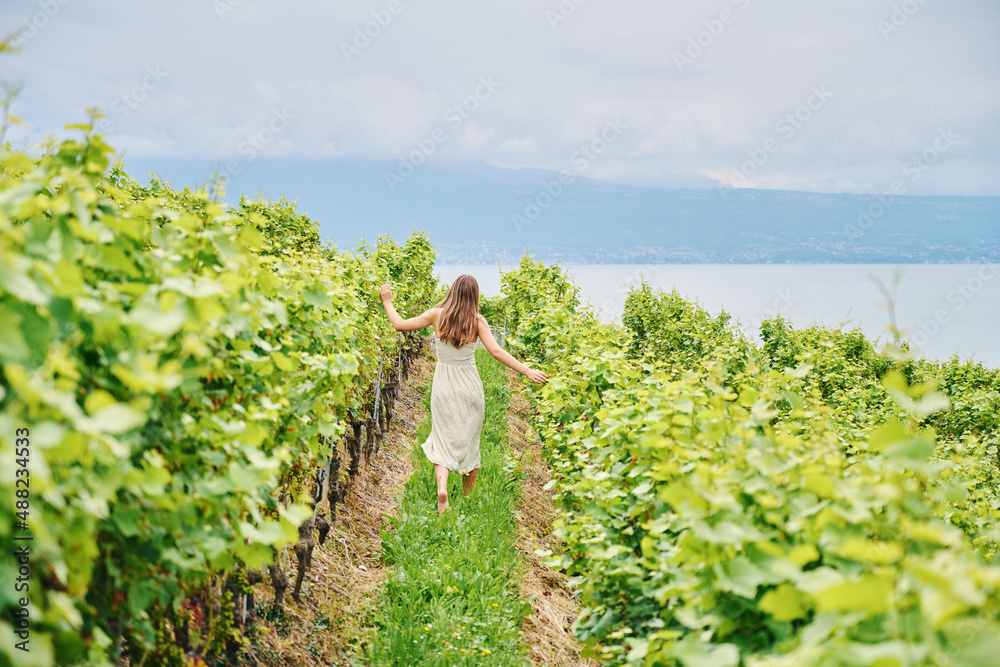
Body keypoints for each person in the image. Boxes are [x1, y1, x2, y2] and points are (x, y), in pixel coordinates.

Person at [379, 274, 548, 513]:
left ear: (453, 291)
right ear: (475, 296)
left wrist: (387, 300)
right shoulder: (478, 321)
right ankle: (467, 499)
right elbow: (497, 352)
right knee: (470, 440)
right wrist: (527, 370)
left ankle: (442, 488)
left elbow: (399, 324)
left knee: (442, 438)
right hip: (470, 386)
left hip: (443, 386)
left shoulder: (437, 315)